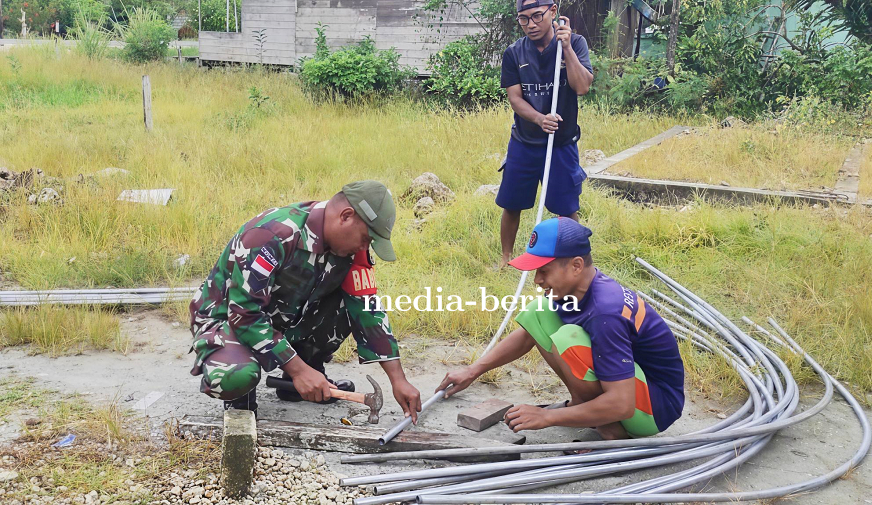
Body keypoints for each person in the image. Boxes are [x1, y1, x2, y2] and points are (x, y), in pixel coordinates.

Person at [188, 180, 422, 421]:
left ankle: (300, 380)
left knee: (348, 304)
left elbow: (367, 307)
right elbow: (245, 314)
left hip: (283, 317)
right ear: (346, 216)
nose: (365, 247)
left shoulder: (352, 250)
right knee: (235, 377)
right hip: (228, 320)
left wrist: (398, 379)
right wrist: (298, 369)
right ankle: (244, 393)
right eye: (365, 238)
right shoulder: (272, 235)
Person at [439, 217, 685, 439]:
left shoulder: (605, 313)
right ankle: (585, 408)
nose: (536, 280)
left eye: (544, 270)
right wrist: (473, 370)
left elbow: (622, 404)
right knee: (539, 310)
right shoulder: (579, 289)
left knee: (569, 340)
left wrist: (546, 418)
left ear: (576, 266)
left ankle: (611, 430)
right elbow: (527, 336)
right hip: (634, 389)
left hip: (653, 408)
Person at [496, 0, 595, 268]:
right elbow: (515, 98)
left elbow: (582, 86)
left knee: (566, 208)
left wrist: (566, 49)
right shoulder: (514, 53)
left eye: (537, 16)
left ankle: (578, 261)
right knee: (511, 203)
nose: (531, 25)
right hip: (524, 142)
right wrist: (540, 119)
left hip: (561, 143)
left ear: (553, 12)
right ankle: (505, 259)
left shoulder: (575, 44)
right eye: (523, 19)